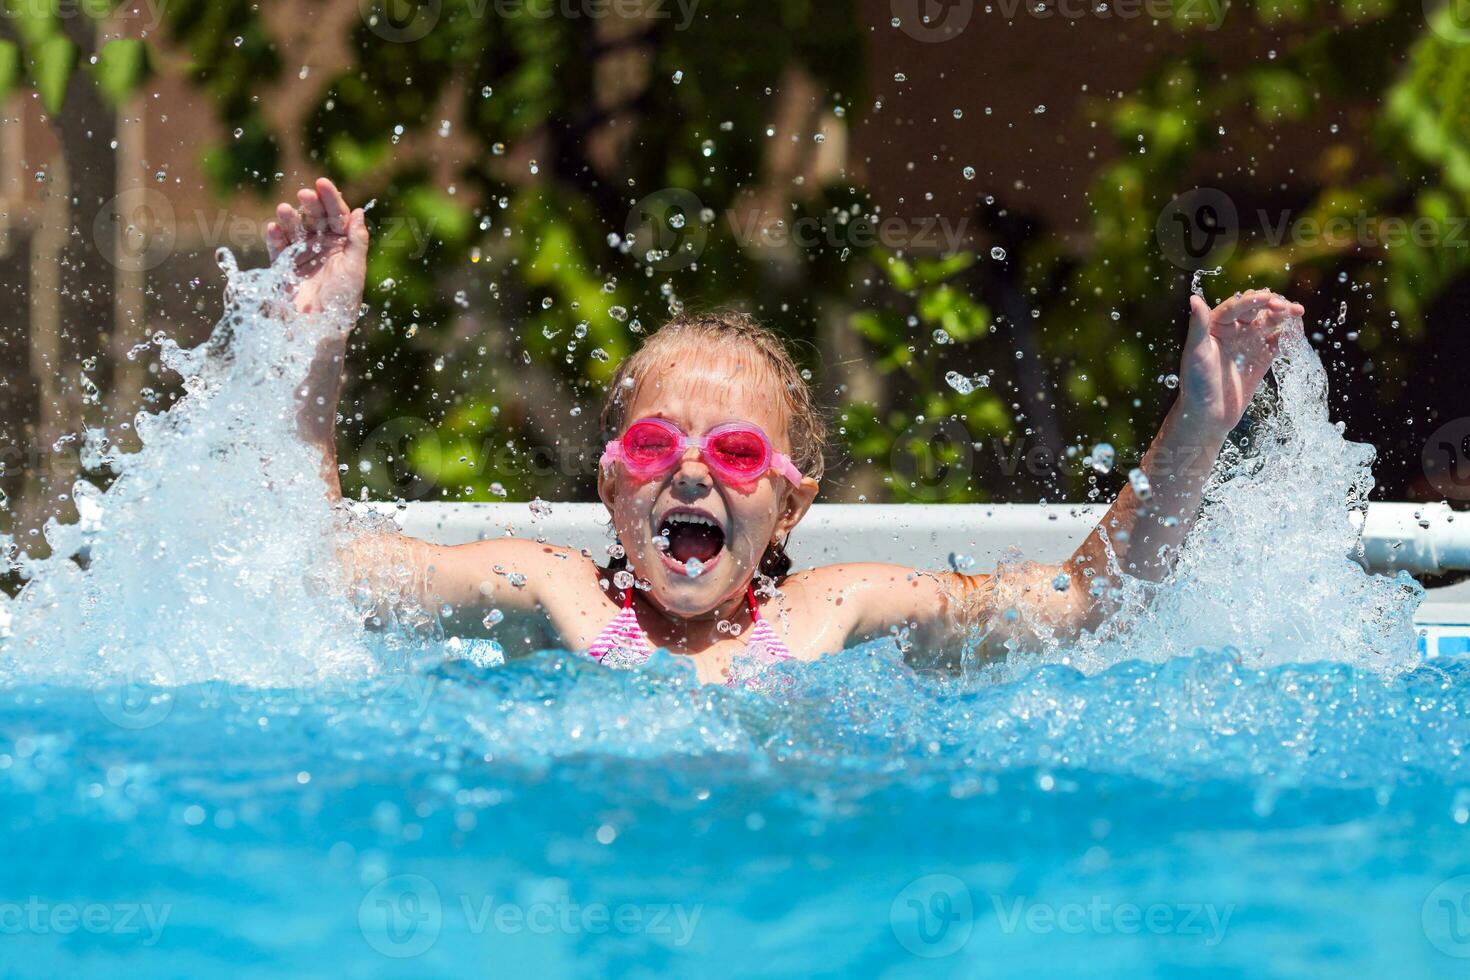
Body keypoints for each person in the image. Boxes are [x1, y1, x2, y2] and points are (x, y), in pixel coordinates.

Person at [269, 178, 1305, 686]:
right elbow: (313, 572)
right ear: (608, 482)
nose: (686, 470)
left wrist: (1199, 426)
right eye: (651, 447)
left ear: (791, 495)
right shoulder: (561, 598)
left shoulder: (827, 614)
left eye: (732, 452)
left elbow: (1088, 606)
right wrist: (315, 353)